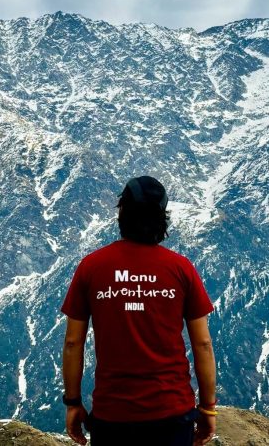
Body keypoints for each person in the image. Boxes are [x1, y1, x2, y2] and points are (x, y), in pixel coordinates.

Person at [61, 176, 216, 446]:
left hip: (113, 416)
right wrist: (207, 408)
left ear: (122, 213)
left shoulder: (91, 267)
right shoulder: (181, 269)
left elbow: (73, 342)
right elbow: (202, 344)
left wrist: (73, 403)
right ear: (161, 218)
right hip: (172, 412)